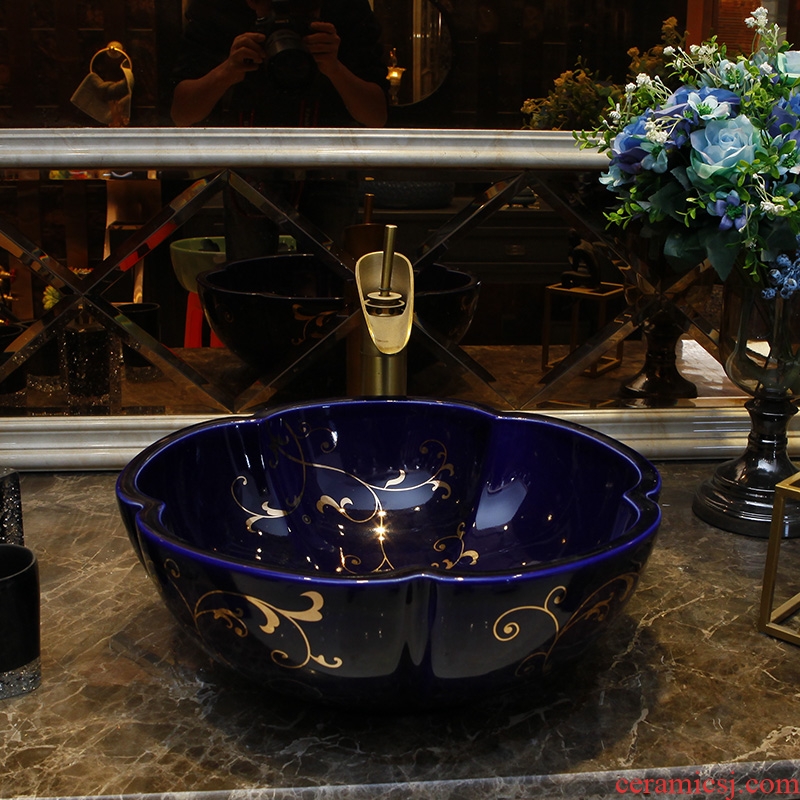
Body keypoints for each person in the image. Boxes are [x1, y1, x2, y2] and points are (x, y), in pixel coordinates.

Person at [171, 0, 388, 258]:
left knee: (327, 276)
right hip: (252, 170)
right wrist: (227, 70)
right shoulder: (218, 9)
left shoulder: (345, 10)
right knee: (251, 276)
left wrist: (335, 68)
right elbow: (182, 113)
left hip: (328, 167)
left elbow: (376, 115)